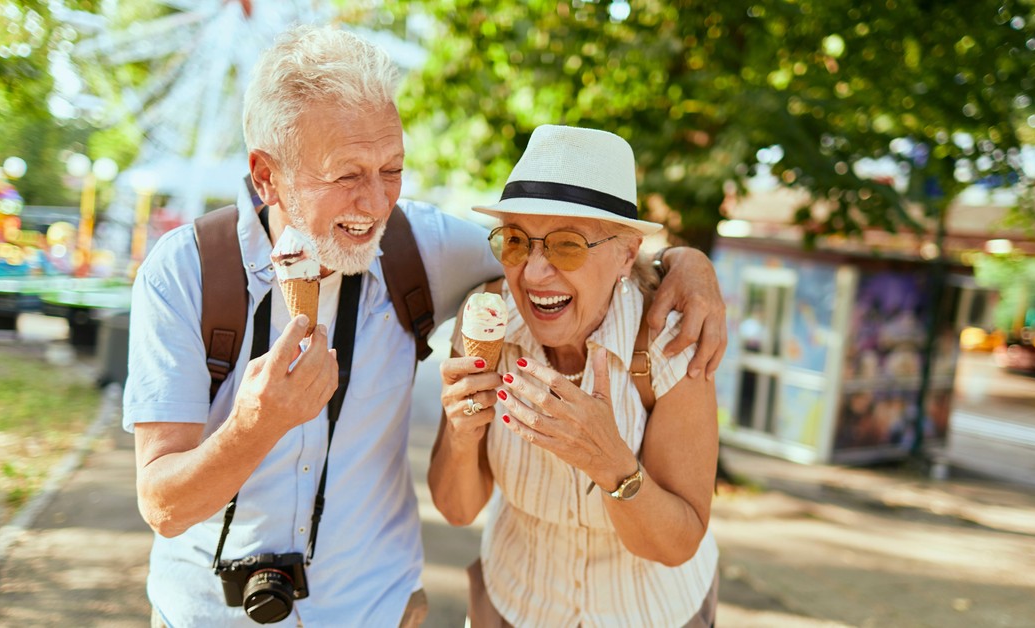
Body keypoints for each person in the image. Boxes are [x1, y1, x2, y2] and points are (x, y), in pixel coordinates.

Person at [124, 25, 727, 627]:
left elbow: (567, 262)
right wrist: (257, 425)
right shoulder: (185, 278)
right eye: (346, 175)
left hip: (375, 608)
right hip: (209, 613)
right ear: (266, 175)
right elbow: (164, 506)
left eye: (392, 169)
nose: (377, 202)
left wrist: (691, 267)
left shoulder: (420, 248)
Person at [430, 125, 720, 627]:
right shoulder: (487, 322)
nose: (535, 273)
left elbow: (677, 545)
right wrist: (461, 436)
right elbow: (458, 511)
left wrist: (612, 465)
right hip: (516, 603)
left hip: (650, 613)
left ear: (627, 254)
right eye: (517, 241)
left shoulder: (671, 343)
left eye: (567, 246)